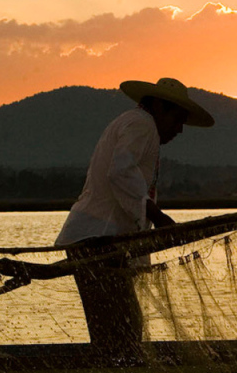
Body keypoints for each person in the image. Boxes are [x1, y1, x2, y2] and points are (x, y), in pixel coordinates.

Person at [55, 77, 214, 349]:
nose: (179, 130)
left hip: (99, 241)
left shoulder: (137, 124)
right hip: (98, 241)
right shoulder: (142, 124)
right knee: (120, 331)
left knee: (121, 328)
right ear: (159, 107)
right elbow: (121, 172)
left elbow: (128, 181)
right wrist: (158, 217)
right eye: (177, 120)